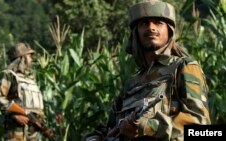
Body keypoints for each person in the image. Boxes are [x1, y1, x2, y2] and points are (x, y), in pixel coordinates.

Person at [86, 0, 211, 141]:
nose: (151, 28)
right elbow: (110, 127)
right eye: (144, 23)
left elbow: (200, 126)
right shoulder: (132, 84)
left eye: (158, 23)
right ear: (136, 33)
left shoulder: (184, 67)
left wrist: (147, 127)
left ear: (169, 30)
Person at [0, 42, 46, 141]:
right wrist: (15, 116)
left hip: (34, 129)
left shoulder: (31, 78)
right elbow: (0, 98)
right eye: (29, 56)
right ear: (22, 58)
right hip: (16, 128)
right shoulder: (8, 74)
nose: (32, 59)